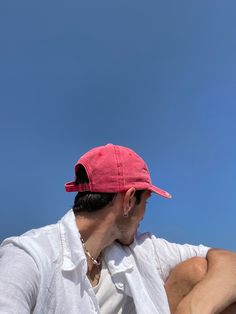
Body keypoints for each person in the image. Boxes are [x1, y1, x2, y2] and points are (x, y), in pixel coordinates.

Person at [0, 143, 236, 314]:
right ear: (129, 200)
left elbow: (228, 261)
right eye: (146, 203)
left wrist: (194, 307)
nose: (144, 214)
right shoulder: (29, 256)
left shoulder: (139, 250)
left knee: (196, 271)